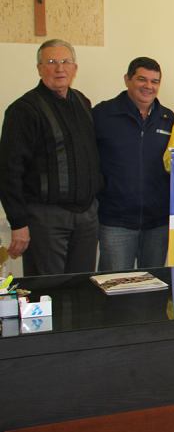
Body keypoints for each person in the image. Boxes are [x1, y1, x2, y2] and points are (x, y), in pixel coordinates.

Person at [0, 39, 103, 276]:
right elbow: (8, 169)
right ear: (39, 68)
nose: (59, 68)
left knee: (81, 288)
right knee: (48, 291)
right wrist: (18, 223)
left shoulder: (82, 102)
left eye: (66, 62)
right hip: (46, 219)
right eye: (51, 62)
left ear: (75, 68)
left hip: (86, 217)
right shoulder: (24, 109)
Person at [93, 57, 174, 271]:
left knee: (153, 289)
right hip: (115, 223)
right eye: (142, 79)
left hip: (157, 224)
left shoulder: (169, 119)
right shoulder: (102, 115)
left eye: (154, 81)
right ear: (127, 80)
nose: (148, 86)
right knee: (114, 289)